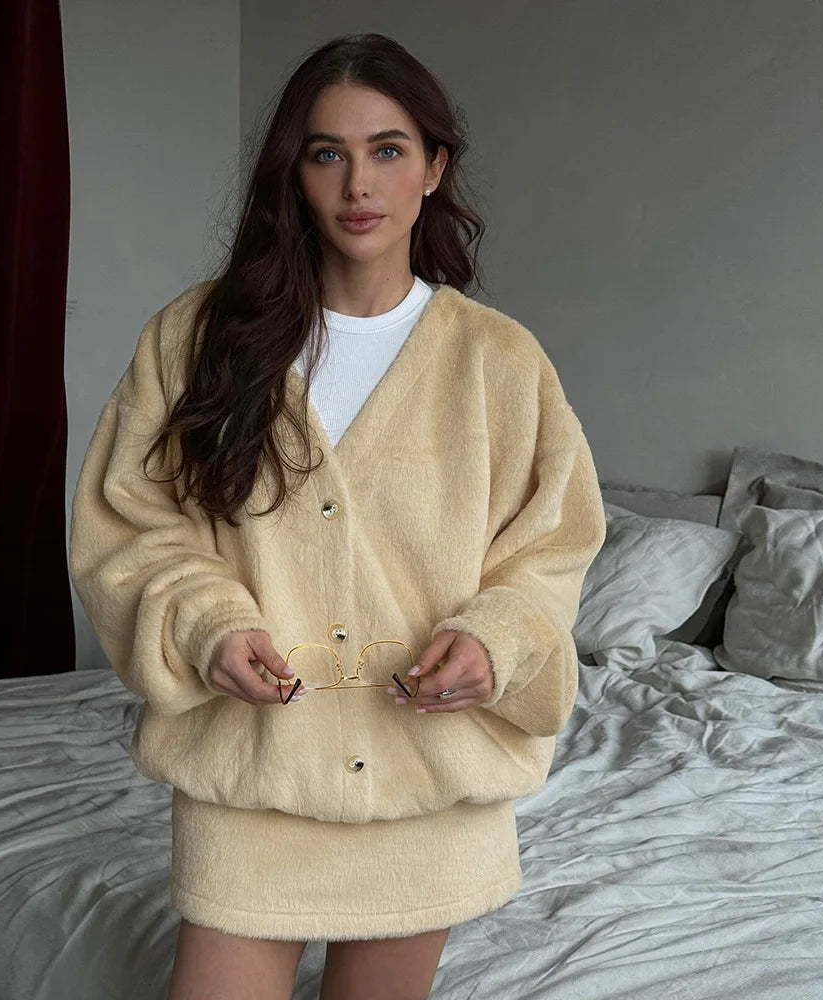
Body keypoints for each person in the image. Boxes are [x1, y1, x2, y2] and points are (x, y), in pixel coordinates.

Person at [68, 31, 606, 1000]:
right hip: (253, 769)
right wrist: (206, 623)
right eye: (328, 153)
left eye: (388, 149)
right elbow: (130, 521)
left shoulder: (501, 362)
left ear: (434, 167)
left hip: (427, 785)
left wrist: (495, 637)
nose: (358, 182)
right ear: (296, 172)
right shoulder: (197, 338)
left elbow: (551, 550)